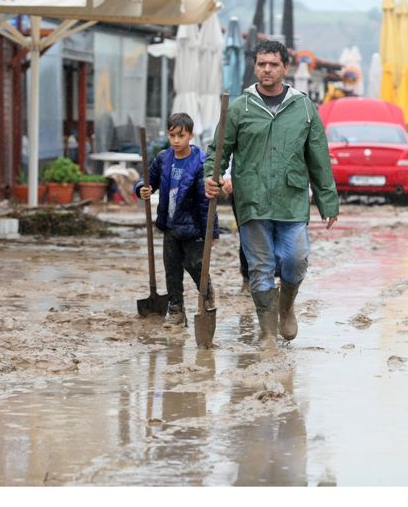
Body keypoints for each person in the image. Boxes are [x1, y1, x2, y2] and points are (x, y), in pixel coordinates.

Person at [204, 40, 339, 349]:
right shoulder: (240, 107)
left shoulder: (303, 107)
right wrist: (209, 178)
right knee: (260, 266)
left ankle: (286, 305)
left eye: (273, 64)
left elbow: (318, 156)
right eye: (261, 64)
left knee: (295, 258)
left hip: (291, 199)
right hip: (252, 199)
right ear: (255, 67)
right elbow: (218, 152)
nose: (266, 69)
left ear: (284, 68)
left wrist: (327, 200)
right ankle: (267, 333)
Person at [136, 113, 217, 327]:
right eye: (172, 136)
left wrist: (212, 231)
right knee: (171, 269)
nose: (176, 141)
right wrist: (142, 188)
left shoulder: (200, 162)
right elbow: (148, 178)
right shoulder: (164, 158)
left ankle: (206, 291)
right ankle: (176, 310)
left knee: (195, 264)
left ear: (190, 135)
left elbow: (206, 200)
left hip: (193, 228)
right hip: (169, 225)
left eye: (180, 136)